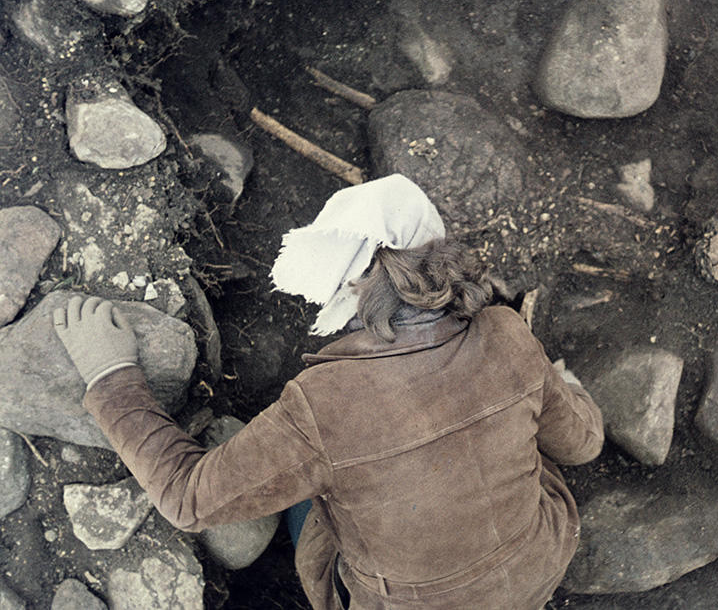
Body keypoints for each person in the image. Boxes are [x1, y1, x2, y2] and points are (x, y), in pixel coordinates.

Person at [52, 174, 604, 610]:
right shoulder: (508, 335)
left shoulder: (323, 404)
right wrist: (562, 388)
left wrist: (111, 378)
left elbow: (186, 499)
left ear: (346, 290)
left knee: (305, 492)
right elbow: (582, 446)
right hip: (539, 566)